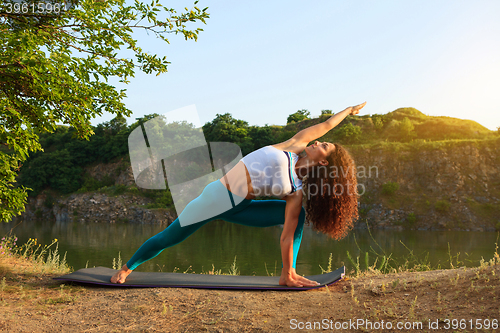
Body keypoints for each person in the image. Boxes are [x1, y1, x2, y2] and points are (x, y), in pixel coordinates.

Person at [111, 102, 366, 287]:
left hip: (242, 207)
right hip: (215, 198)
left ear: (324, 163)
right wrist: (349, 111)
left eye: (323, 146)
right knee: (171, 236)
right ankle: (127, 268)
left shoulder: (296, 192)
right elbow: (326, 124)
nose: (317, 142)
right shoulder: (291, 146)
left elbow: (288, 235)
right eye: (321, 141)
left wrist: (289, 265)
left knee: (297, 217)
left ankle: (288, 274)